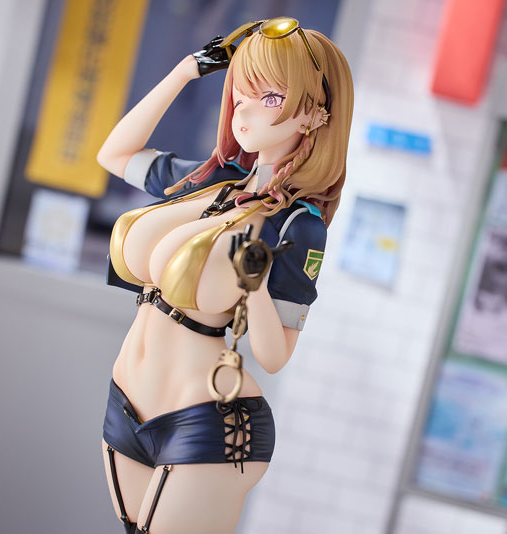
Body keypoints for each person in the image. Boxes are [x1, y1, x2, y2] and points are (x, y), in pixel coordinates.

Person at [96, 18, 353, 533]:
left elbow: (275, 355)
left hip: (208, 418)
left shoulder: (298, 225)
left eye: (270, 97)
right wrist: (185, 72)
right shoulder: (213, 178)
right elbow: (114, 154)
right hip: (127, 404)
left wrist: (253, 285)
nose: (245, 109)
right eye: (242, 90)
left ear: (315, 114)